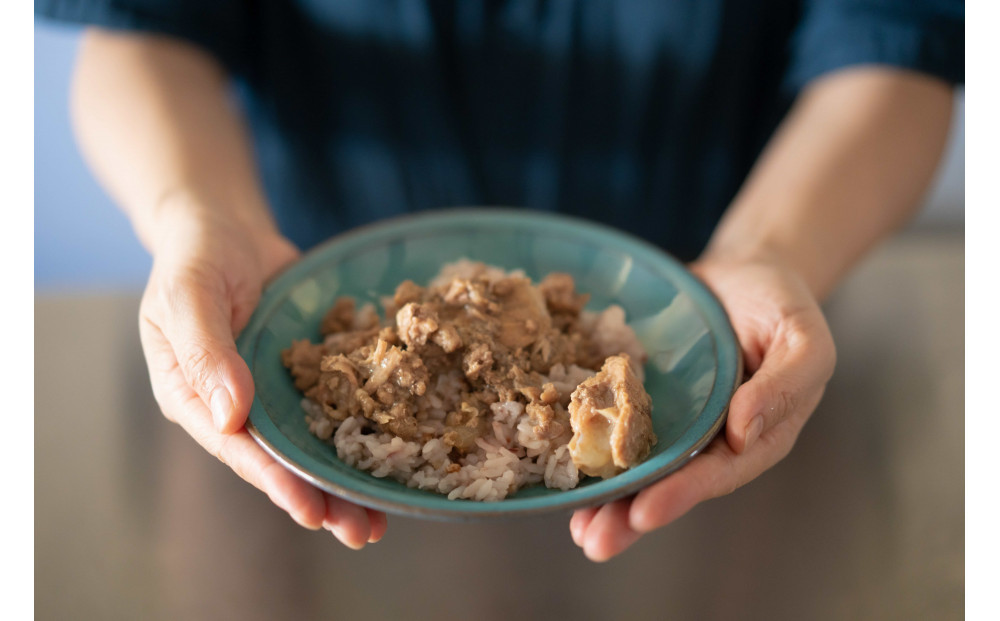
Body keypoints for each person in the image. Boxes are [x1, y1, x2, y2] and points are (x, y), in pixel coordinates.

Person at [37, 1, 963, 561]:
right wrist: (203, 216)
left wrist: (774, 249)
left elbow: (893, 42)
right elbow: (139, 29)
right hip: (293, 303)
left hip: (723, 343)